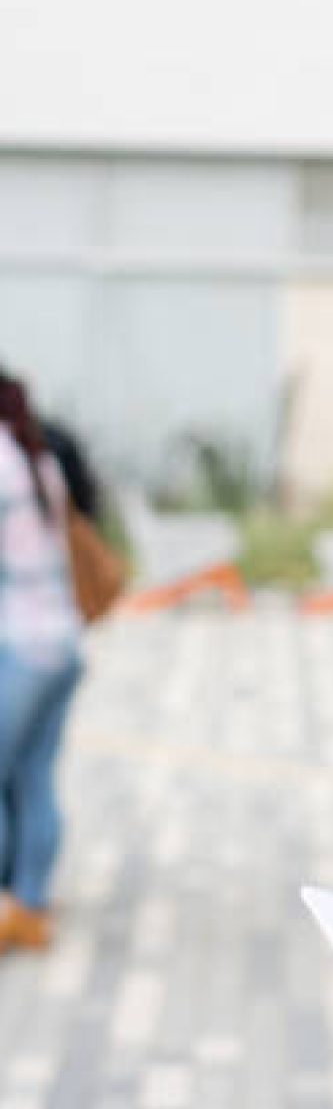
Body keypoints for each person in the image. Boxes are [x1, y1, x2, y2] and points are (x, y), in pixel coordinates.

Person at [0, 368, 82, 952]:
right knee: (34, 779)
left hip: (22, 644)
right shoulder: (37, 459)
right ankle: (30, 902)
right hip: (62, 640)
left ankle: (13, 904)